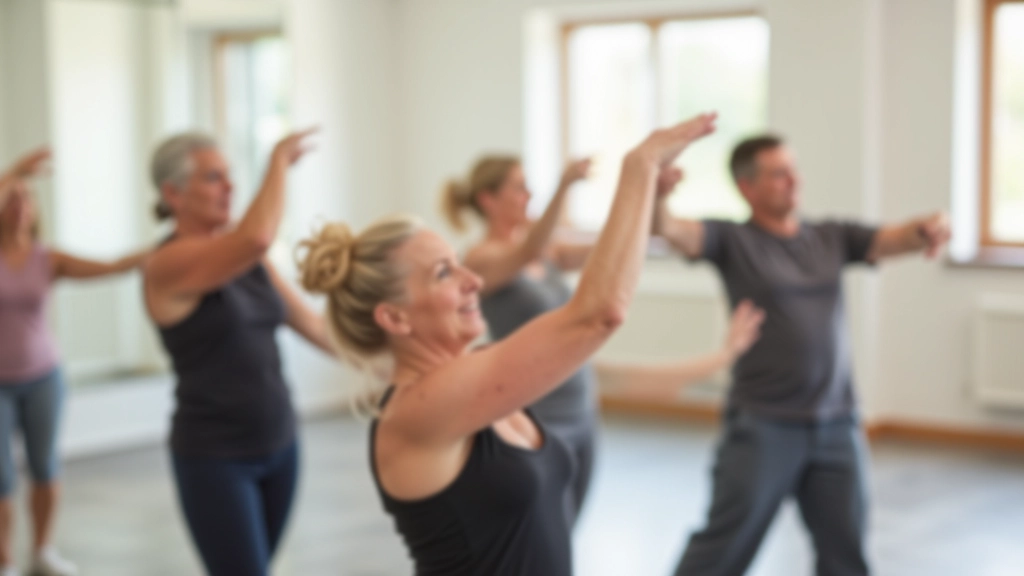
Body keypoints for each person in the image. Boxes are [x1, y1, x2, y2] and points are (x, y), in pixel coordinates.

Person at [298, 113, 717, 575]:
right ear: (394, 317)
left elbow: (598, 346)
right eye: (444, 273)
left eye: (458, 264)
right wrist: (640, 167)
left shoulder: (476, 377)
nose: (473, 280)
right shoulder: (420, 409)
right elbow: (598, 315)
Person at [655, 134, 951, 576]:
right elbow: (672, 230)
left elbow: (896, 238)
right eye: (778, 173)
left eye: (794, 168)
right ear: (747, 188)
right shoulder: (732, 240)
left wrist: (928, 227)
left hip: (837, 423)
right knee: (722, 550)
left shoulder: (831, 237)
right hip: (763, 424)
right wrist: (656, 196)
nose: (794, 180)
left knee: (845, 555)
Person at [142, 130, 333, 576]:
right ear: (173, 193)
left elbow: (314, 325)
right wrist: (279, 161)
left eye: (230, 176)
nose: (229, 188)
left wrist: (397, 359)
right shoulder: (167, 264)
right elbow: (257, 237)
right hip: (215, 456)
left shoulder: (250, 263)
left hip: (281, 442)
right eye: (213, 178)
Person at [0, 148, 149, 576]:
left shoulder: (48, 259)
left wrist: (163, 250)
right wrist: (14, 171)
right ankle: (5, 560)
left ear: (35, 210)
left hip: (43, 376)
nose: (19, 205)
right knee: (1, 476)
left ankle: (43, 551)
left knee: (45, 466)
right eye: (12, 197)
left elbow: (113, 266)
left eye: (27, 198)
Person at [441, 155, 602, 522]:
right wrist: (564, 186)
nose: (528, 195)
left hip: (581, 404)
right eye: (519, 187)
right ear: (488, 199)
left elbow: (603, 248)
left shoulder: (548, 251)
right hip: (538, 411)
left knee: (570, 526)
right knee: (547, 526)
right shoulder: (480, 258)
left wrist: (643, 199)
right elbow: (526, 250)